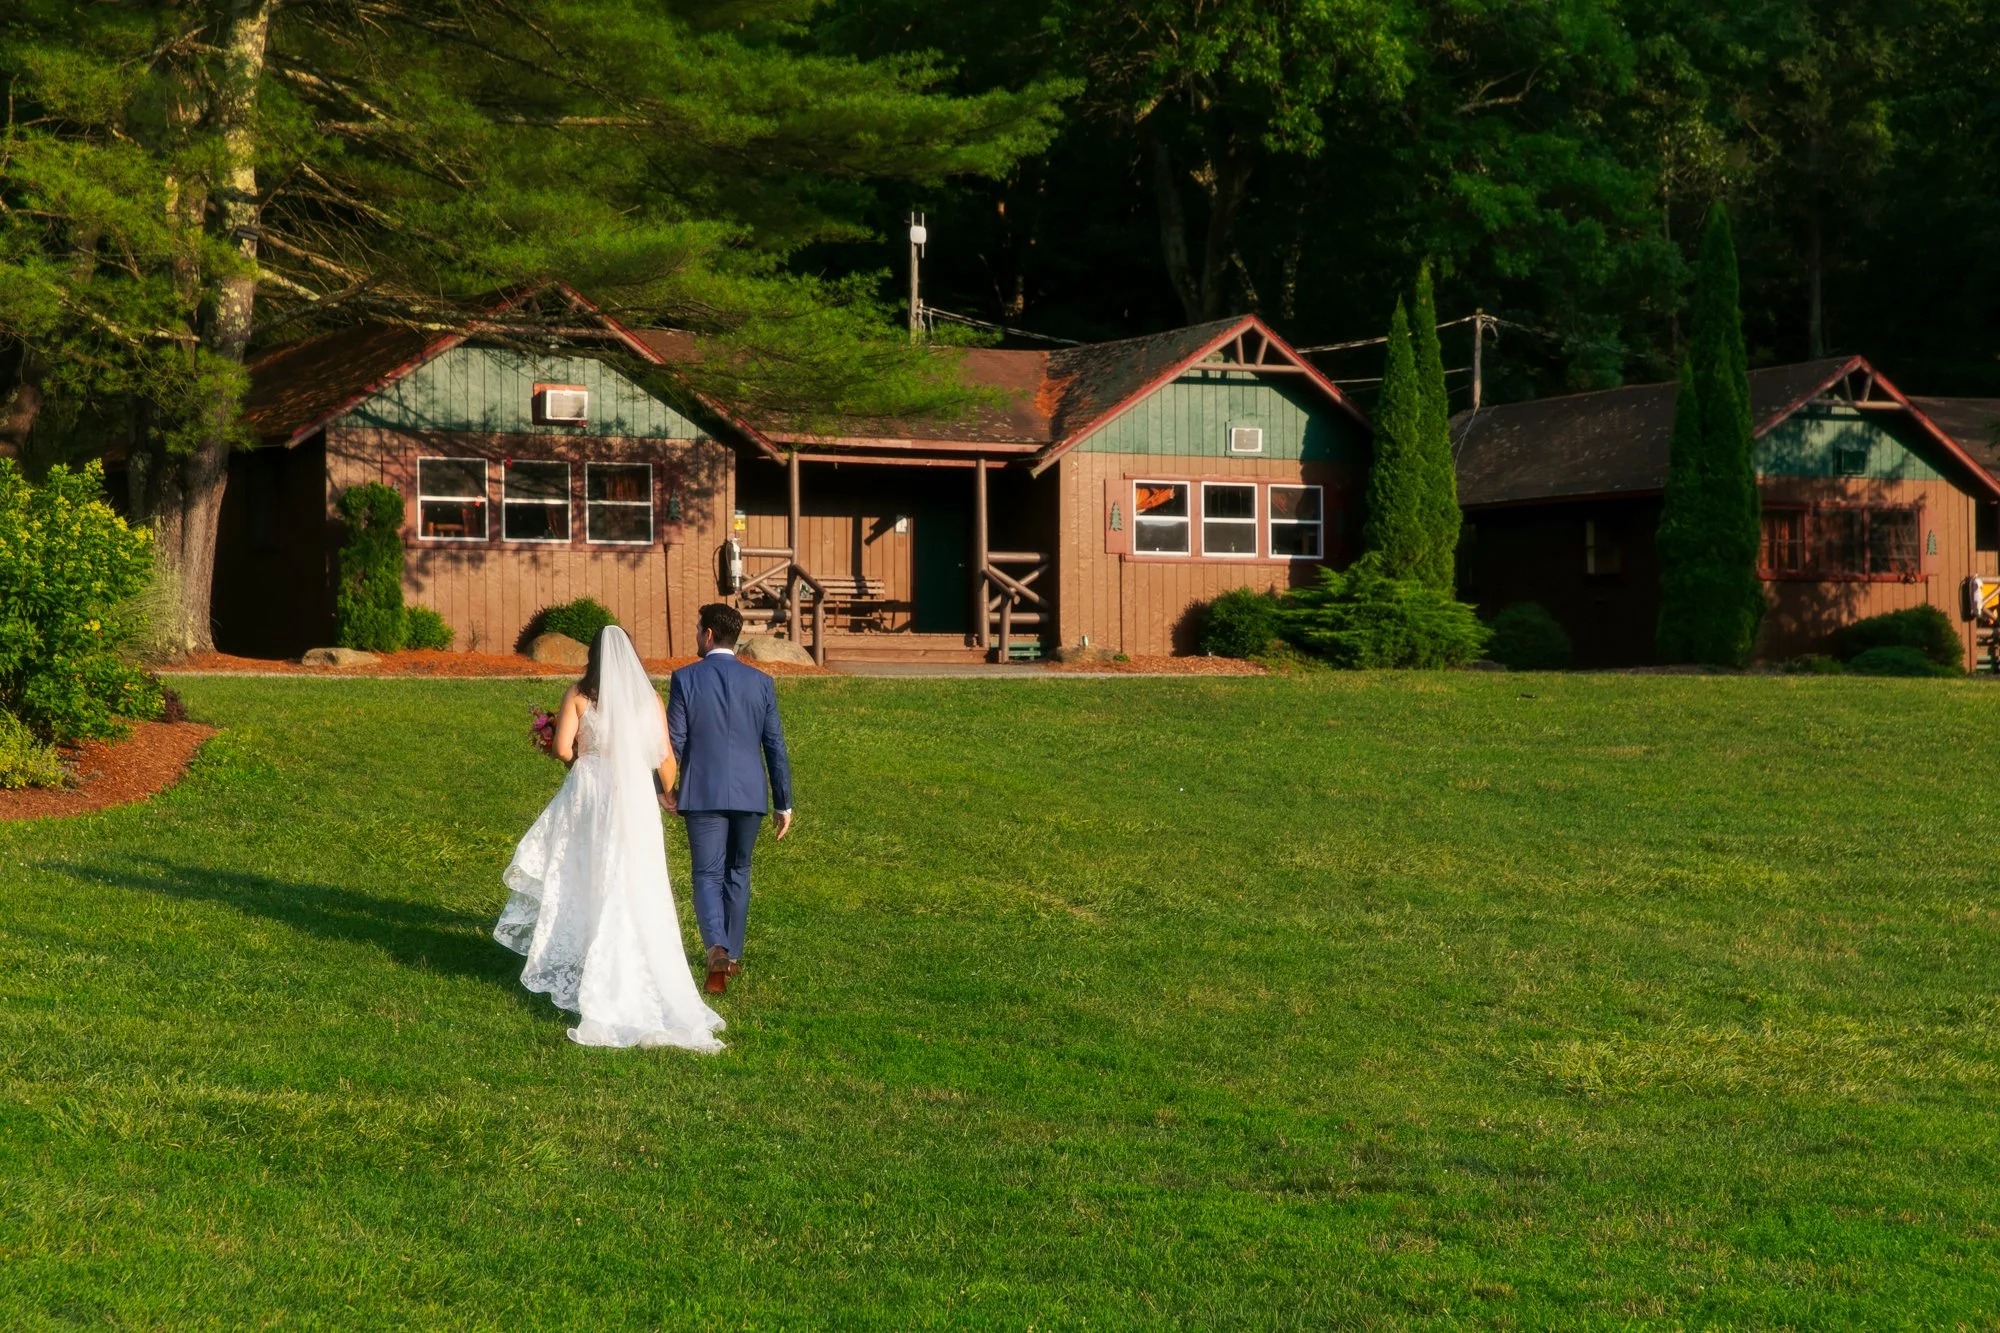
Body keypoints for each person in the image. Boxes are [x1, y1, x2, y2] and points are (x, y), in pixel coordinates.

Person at [495, 625, 725, 1051]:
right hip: (635, 798)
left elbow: (564, 750)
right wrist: (667, 793)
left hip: (590, 796)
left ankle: (587, 961)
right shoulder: (648, 700)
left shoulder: (579, 696)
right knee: (634, 879)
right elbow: (664, 758)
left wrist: (568, 747)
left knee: (583, 874)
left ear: (593, 656)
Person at [666, 603, 793, 995]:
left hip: (702, 792)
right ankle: (731, 956)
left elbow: (674, 742)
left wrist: (665, 787)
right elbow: (775, 745)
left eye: (695, 629)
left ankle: (716, 948)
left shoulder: (685, 678)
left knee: (707, 873)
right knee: (739, 871)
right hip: (750, 793)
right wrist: (783, 802)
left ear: (707, 635)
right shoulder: (761, 683)